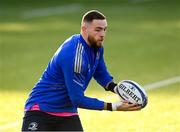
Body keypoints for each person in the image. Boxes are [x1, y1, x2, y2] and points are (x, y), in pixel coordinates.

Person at [22, 10, 142, 131]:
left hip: (67, 111)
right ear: (84, 29)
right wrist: (114, 106)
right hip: (42, 109)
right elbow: (77, 99)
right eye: (98, 30)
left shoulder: (96, 47)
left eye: (105, 29)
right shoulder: (74, 56)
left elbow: (100, 73)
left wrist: (116, 89)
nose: (102, 34)